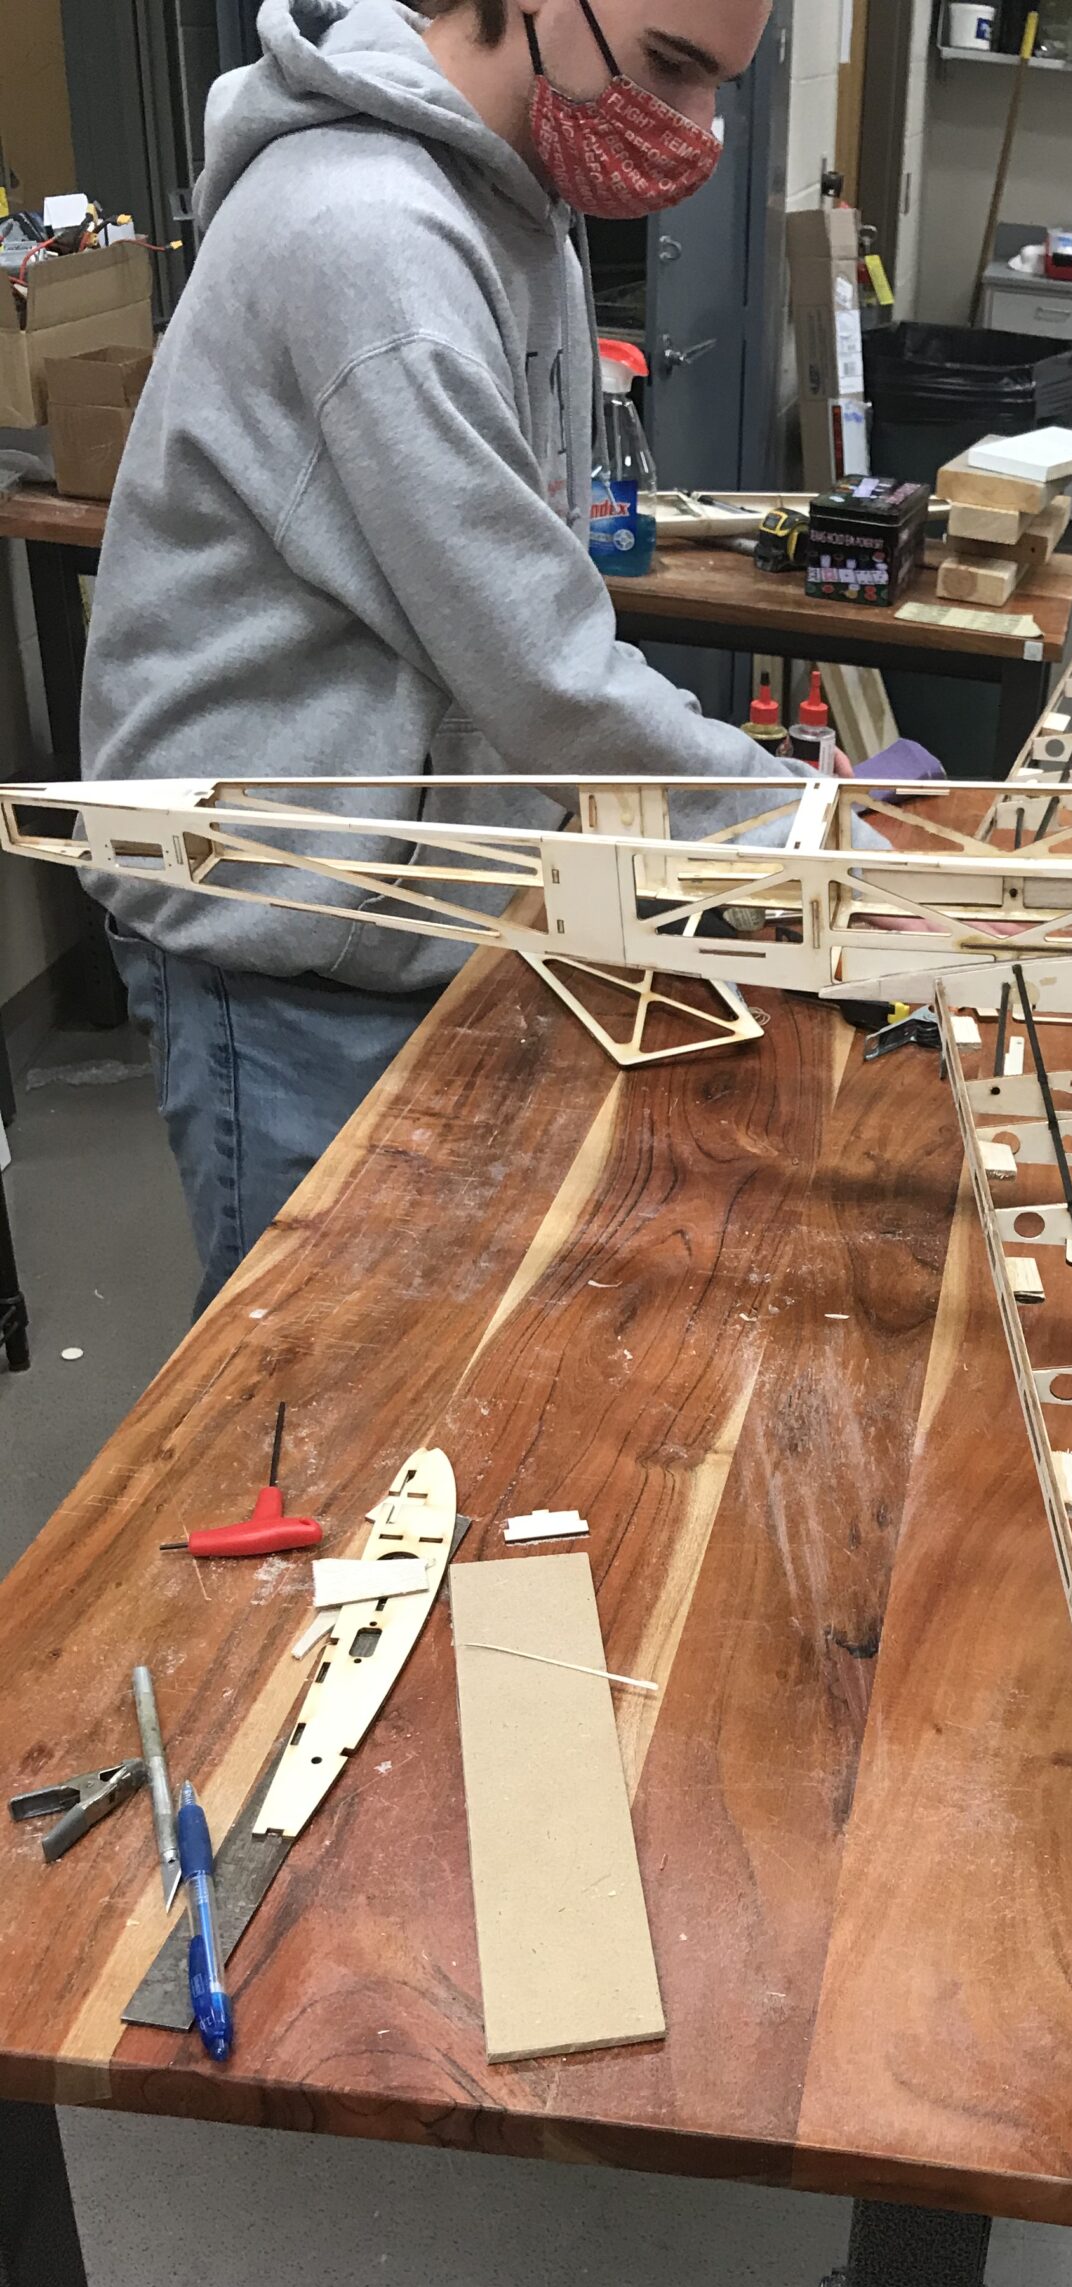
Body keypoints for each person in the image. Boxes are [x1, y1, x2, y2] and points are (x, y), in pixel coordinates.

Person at [81, 0, 810, 1312]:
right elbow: (542, 673)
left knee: (432, 1369)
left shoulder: (525, 204)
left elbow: (527, 601)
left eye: (719, 88)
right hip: (288, 945)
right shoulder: (369, 240)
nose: (695, 133)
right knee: (302, 1396)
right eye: (669, 71)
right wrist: (812, 836)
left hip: (416, 918)